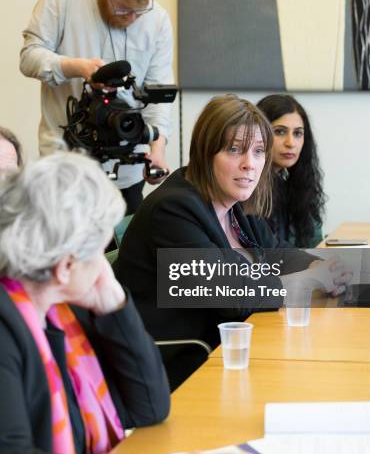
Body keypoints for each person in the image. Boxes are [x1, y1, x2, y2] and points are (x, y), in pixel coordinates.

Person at [0, 151, 257, 454]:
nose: (102, 265)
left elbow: (149, 407)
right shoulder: (8, 330)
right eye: (95, 251)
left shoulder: (64, 312)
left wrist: (115, 306)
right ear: (64, 267)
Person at [114, 95, 349, 389]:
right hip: (178, 367)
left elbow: (278, 254)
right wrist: (308, 280)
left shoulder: (234, 204)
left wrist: (320, 266)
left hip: (229, 355)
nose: (250, 164)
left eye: (259, 151)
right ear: (204, 152)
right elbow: (230, 295)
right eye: (235, 150)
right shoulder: (172, 210)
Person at [20, 0, 174, 213]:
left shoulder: (158, 20)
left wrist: (157, 150)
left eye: (140, 11)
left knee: (125, 254)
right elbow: (29, 57)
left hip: (128, 170)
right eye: (123, 9)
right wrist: (77, 67)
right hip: (65, 166)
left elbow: (157, 94)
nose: (132, 19)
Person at [257, 94, 325, 248]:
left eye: (297, 133)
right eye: (280, 131)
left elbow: (314, 245)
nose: (291, 143)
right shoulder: (245, 187)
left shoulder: (296, 182)